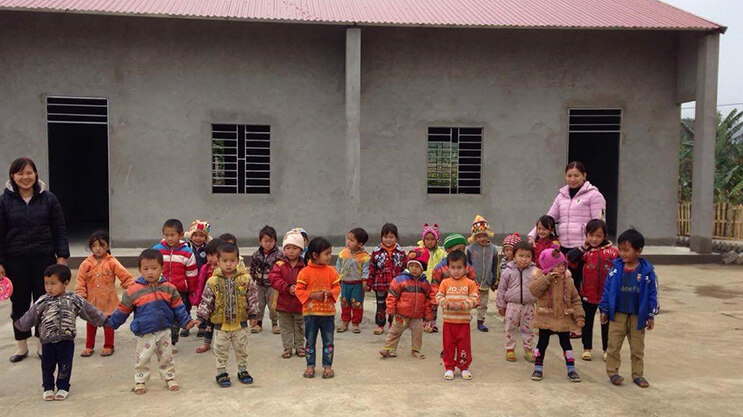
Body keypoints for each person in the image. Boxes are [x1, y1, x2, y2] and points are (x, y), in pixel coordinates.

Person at [0, 157, 70, 362]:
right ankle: (21, 347)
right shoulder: (4, 202)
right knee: (19, 303)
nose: (25, 177)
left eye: (29, 172)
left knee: (44, 302)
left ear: (36, 174)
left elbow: (60, 229)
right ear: (13, 176)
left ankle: (42, 344)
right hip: (15, 260)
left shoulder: (49, 199)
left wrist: (62, 257)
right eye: (20, 173)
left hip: (44, 259)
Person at [107, 249, 198, 394]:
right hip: (145, 332)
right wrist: (111, 322)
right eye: (146, 269)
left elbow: (179, 308)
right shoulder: (133, 290)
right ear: (140, 270)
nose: (150, 272)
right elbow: (123, 310)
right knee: (142, 358)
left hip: (165, 331)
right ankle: (140, 381)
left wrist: (186, 322)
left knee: (166, 356)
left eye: (154, 268)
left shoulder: (169, 288)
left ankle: (169, 378)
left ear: (162, 268)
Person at [14, 265, 107, 401]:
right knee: (47, 366)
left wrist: (103, 319)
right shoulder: (43, 301)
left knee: (65, 365)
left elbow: (89, 310)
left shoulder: (74, 300)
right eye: (46, 283)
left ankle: (63, 387)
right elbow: (31, 315)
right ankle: (48, 388)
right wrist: (21, 325)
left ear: (65, 283)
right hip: (47, 341)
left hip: (67, 341)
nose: (49, 287)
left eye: (53, 283)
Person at [528, 161, 606, 296]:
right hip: (563, 249)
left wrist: (589, 245)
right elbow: (549, 218)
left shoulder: (594, 196)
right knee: (564, 287)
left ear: (584, 176)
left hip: (584, 249)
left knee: (580, 288)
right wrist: (532, 235)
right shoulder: (561, 197)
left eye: (576, 175)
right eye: (569, 175)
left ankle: (580, 316)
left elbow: (598, 224)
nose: (573, 179)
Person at [600, 229, 659, 388]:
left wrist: (651, 315)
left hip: (637, 317)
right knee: (613, 345)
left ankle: (638, 375)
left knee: (637, 349)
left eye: (627, 250)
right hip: (617, 314)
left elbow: (653, 293)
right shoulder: (615, 269)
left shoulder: (647, 272)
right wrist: (604, 310)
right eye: (620, 249)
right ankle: (613, 372)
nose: (622, 253)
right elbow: (607, 290)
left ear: (638, 250)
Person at [196, 243, 259, 387]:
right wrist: (201, 317)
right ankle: (221, 372)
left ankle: (242, 370)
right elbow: (206, 300)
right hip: (220, 325)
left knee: (241, 349)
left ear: (238, 260)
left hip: (240, 324)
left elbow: (253, 298)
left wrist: (253, 315)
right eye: (224, 260)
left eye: (232, 260)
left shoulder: (246, 279)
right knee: (220, 350)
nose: (229, 264)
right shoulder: (213, 281)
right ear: (218, 261)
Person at [528, 249, 585, 382]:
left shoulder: (568, 281)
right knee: (542, 342)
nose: (561, 268)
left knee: (566, 343)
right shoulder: (541, 279)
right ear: (548, 267)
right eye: (557, 265)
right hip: (545, 318)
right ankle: (538, 367)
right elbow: (534, 291)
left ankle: (571, 368)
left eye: (562, 265)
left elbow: (576, 299)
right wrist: (547, 278)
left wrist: (579, 316)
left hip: (563, 318)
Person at [75, 231, 134, 357]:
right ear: (91, 247)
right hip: (91, 302)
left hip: (109, 301)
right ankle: (89, 346)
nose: (98, 248)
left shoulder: (112, 262)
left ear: (107, 246)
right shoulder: (86, 264)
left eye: (101, 245)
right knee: (91, 325)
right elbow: (80, 282)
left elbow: (125, 276)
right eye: (94, 245)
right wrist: (80, 296)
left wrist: (133, 288)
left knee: (108, 324)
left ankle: (108, 346)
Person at [567, 219, 618, 361]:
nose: (594, 239)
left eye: (598, 236)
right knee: (586, 322)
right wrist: (583, 248)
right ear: (586, 235)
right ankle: (587, 348)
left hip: (606, 295)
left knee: (606, 323)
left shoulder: (613, 253)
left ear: (605, 236)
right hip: (587, 294)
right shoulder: (584, 253)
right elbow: (569, 259)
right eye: (591, 235)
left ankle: (606, 349)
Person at [295, 237, 340, 379]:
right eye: (326, 253)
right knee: (310, 341)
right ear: (315, 255)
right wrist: (313, 296)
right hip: (310, 314)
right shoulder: (304, 272)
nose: (329, 256)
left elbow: (337, 287)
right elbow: (299, 290)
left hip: (328, 314)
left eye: (330, 253)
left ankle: (327, 366)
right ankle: (310, 365)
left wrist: (330, 293)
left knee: (328, 341)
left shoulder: (331, 271)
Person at [379, 248, 433, 359]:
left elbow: (427, 300)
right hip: (401, 314)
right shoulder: (400, 280)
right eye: (411, 265)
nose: (414, 269)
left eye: (417, 266)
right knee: (395, 331)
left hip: (417, 316)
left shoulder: (425, 283)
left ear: (422, 269)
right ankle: (388, 349)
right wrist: (391, 308)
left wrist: (428, 315)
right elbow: (392, 295)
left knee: (418, 334)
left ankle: (416, 350)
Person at [153, 219, 198, 344]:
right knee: (161, 314)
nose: (169, 238)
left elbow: (192, 273)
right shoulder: (157, 250)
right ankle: (158, 339)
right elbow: (151, 267)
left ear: (181, 234)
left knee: (176, 317)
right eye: (166, 235)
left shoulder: (187, 252)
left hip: (179, 291)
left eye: (172, 235)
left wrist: (192, 290)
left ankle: (172, 342)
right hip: (160, 289)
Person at [436, 250, 479, 381]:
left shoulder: (470, 283)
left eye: (459, 267)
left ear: (465, 268)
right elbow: (438, 296)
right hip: (448, 322)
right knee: (448, 346)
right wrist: (446, 303)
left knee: (464, 346)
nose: (456, 271)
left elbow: (475, 298)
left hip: (463, 322)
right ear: (448, 268)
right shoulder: (445, 283)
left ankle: (464, 367)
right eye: (453, 267)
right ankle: (449, 367)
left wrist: (463, 305)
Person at [496, 241, 538, 363]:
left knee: (528, 329)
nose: (524, 259)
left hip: (529, 306)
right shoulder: (508, 271)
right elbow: (501, 289)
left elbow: (540, 289)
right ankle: (510, 349)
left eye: (528, 256)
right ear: (514, 256)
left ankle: (528, 349)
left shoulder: (535, 271)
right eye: (521, 256)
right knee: (510, 328)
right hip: (512, 305)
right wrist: (500, 305)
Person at [428, 233, 476, 333]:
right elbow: (435, 285)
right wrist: (434, 301)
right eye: (458, 250)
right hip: (447, 302)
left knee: (462, 326)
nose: (461, 252)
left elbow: (474, 283)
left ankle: (460, 346)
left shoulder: (467, 266)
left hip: (462, 301)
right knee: (448, 326)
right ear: (448, 250)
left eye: (463, 250)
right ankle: (448, 345)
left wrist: (475, 300)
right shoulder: (440, 268)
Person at [269, 230, 306, 358]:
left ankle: (300, 346)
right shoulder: (279, 264)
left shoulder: (305, 266)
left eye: (295, 248)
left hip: (300, 303)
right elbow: (274, 279)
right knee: (285, 328)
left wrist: (299, 288)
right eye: (288, 248)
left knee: (300, 326)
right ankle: (287, 348)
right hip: (283, 303)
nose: (291, 251)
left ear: (301, 249)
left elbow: (308, 280)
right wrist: (287, 287)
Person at [368, 223, 406, 335]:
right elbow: (372, 268)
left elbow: (404, 268)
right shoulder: (376, 251)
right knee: (381, 306)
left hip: (396, 285)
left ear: (396, 238)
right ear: (381, 237)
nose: (388, 240)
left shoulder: (400, 252)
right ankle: (380, 325)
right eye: (385, 237)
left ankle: (392, 324)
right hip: (380, 285)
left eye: (391, 237)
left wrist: (405, 283)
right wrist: (369, 283)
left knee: (393, 305)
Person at [466, 215, 499, 332]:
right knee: (470, 302)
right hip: (473, 282)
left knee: (483, 303)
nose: (482, 238)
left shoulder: (493, 249)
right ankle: (465, 320)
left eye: (484, 235)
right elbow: (467, 265)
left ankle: (481, 322)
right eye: (478, 236)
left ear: (488, 234)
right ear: (475, 237)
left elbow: (495, 266)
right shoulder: (470, 249)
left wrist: (495, 280)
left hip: (486, 282)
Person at [191, 238, 224, 353]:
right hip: (209, 300)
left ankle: (222, 344)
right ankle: (206, 343)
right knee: (209, 325)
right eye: (208, 255)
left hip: (222, 301)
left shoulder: (224, 269)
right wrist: (198, 298)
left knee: (222, 325)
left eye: (213, 255)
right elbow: (200, 284)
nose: (210, 258)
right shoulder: (206, 268)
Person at [336, 227, 370, 333]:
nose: (348, 242)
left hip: (357, 285)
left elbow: (365, 270)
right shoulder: (343, 253)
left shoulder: (365, 257)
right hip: (345, 283)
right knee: (344, 303)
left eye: (351, 240)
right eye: (348, 239)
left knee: (357, 305)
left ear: (360, 244)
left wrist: (365, 281)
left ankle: (355, 324)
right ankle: (345, 322)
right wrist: (337, 278)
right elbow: (338, 266)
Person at [249, 225, 281, 334]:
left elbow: (282, 269)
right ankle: (259, 324)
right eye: (266, 241)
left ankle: (275, 324)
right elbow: (252, 269)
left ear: (275, 241)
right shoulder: (256, 255)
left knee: (273, 305)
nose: (268, 244)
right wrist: (251, 282)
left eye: (271, 241)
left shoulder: (279, 255)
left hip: (273, 285)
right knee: (259, 304)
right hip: (259, 284)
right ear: (260, 241)